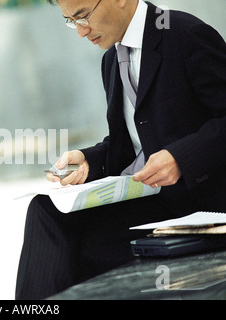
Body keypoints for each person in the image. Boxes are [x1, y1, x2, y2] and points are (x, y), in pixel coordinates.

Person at [15, 0, 226, 300]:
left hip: (200, 205)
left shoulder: (184, 34)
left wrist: (181, 157)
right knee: (46, 210)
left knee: (81, 249)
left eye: (83, 16)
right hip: (154, 205)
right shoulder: (112, 61)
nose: (80, 31)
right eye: (71, 21)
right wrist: (91, 161)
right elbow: (132, 144)